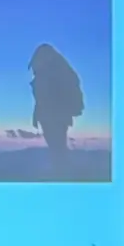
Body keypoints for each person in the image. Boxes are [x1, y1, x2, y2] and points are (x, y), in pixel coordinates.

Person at [30, 43, 84, 175]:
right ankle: (60, 170)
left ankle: (61, 172)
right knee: (56, 145)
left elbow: (46, 97)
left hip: (55, 116)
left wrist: (39, 114)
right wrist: (37, 115)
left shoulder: (53, 72)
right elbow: (41, 98)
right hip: (51, 116)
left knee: (57, 145)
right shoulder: (50, 71)